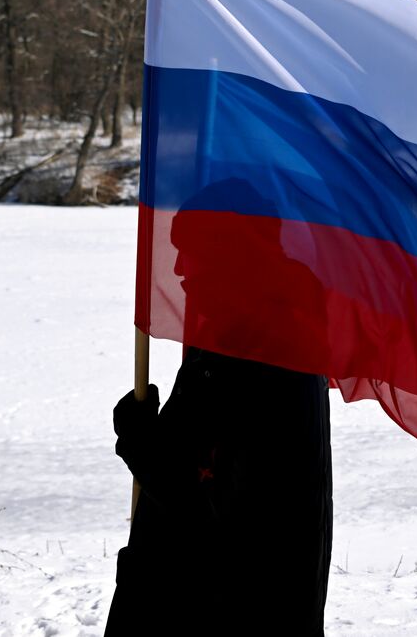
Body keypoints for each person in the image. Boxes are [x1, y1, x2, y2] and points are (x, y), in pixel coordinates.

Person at [106, 179, 333, 635]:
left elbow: (204, 503)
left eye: (190, 249)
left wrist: (138, 438)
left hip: (221, 606)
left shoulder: (254, 352)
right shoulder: (268, 331)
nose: (178, 267)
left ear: (230, 253)